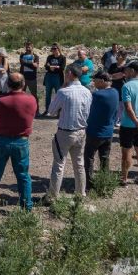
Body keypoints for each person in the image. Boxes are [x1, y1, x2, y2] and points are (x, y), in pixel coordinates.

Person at [0, 73, 37, 216]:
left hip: (2, 140)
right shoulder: (31, 100)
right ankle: (26, 207)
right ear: (23, 84)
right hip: (21, 141)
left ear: (7, 84)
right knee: (23, 175)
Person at [45, 65, 93, 202]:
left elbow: (51, 111)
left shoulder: (63, 92)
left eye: (66, 73)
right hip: (81, 131)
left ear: (70, 74)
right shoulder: (87, 91)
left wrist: (62, 87)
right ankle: (81, 193)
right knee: (79, 164)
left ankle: (53, 196)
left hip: (65, 132)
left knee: (59, 164)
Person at [84, 71, 118, 191]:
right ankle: (104, 182)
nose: (94, 82)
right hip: (108, 131)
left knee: (89, 158)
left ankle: (89, 184)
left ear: (103, 81)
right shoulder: (115, 92)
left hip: (95, 131)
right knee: (104, 158)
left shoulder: (97, 95)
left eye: (96, 80)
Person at [43, 43, 66, 116]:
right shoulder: (49, 57)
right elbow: (46, 66)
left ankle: (59, 112)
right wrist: (53, 67)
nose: (53, 50)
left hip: (58, 77)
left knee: (58, 94)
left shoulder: (62, 58)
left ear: (58, 49)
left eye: (54, 48)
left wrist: (52, 67)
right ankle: (47, 110)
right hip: (49, 76)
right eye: (52, 49)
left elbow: (62, 68)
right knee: (48, 95)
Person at [108, 50, 128, 126]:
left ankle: (120, 120)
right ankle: (114, 118)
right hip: (113, 86)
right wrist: (114, 76)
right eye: (117, 55)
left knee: (122, 104)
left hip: (122, 87)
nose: (117, 56)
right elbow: (108, 75)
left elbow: (121, 75)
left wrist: (112, 76)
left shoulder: (126, 66)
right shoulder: (113, 65)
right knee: (114, 103)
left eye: (119, 55)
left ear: (123, 57)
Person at [19, 41, 40, 115]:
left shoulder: (36, 56)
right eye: (27, 46)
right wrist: (31, 63)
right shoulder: (22, 55)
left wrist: (26, 63)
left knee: (34, 95)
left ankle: (37, 111)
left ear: (32, 47)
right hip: (23, 78)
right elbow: (22, 63)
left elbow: (36, 66)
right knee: (21, 94)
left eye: (29, 46)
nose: (28, 48)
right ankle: (21, 110)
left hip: (32, 78)